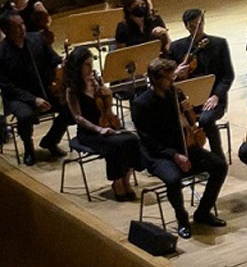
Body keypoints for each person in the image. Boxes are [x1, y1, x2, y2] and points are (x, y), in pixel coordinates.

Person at [133, 57, 230, 239]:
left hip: (183, 146)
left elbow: (188, 119)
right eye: (168, 78)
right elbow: (148, 141)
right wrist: (175, 156)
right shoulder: (141, 104)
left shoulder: (174, 94)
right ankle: (182, 218)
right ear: (155, 79)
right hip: (158, 155)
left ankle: (202, 212)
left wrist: (190, 117)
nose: (172, 81)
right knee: (173, 179)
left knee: (220, 166)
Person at [60, 47, 142, 201]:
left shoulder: (96, 82)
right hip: (89, 133)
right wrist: (99, 130)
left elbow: (107, 105)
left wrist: (103, 89)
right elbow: (78, 118)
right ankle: (117, 183)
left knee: (133, 139)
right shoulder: (72, 90)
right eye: (87, 65)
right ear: (78, 66)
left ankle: (126, 179)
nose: (91, 69)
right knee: (117, 144)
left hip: (107, 124)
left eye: (92, 65)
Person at [0, 13, 69, 165]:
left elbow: (53, 59)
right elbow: (7, 87)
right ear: (6, 31)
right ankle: (28, 148)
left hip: (43, 88)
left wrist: (62, 61)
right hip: (19, 97)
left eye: (22, 24)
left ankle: (50, 141)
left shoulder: (37, 39)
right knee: (25, 116)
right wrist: (34, 100)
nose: (22, 29)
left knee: (68, 107)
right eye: (17, 27)